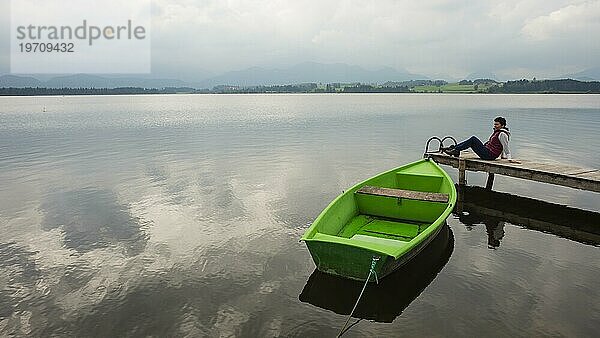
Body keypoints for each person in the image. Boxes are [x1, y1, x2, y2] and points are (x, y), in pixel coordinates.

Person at [444, 116, 519, 162]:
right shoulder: (497, 132)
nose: (495, 125)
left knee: (473, 139)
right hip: (488, 153)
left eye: (497, 124)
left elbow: (505, 146)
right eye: (494, 124)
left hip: (490, 156)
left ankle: (455, 150)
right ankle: (455, 149)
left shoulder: (502, 134)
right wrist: (502, 157)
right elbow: (499, 145)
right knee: (472, 141)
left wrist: (509, 158)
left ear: (502, 125)